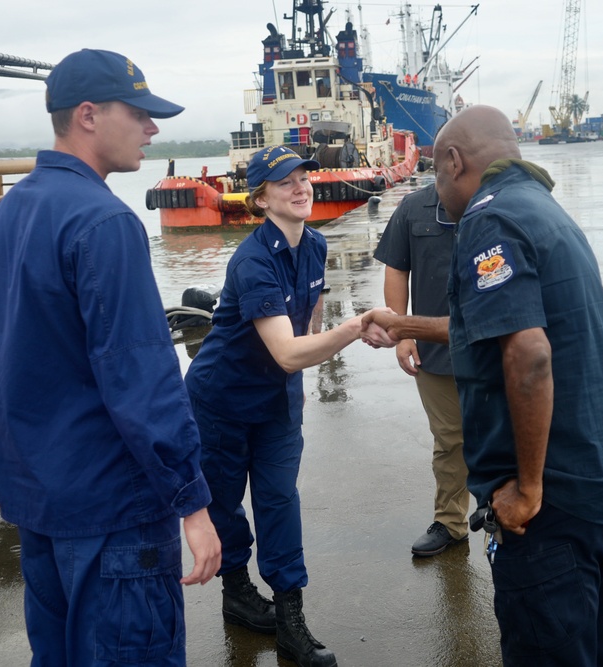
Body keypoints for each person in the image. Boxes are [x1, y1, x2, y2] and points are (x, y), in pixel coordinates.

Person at [362, 105, 603, 666]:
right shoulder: (542, 207)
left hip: (558, 508)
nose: (436, 187)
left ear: (453, 160)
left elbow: (529, 355)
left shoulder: (488, 219)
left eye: (435, 171)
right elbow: (504, 326)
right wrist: (406, 325)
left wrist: (527, 489)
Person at [0, 49, 221, 666]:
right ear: (88, 114)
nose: (153, 129)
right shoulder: (105, 221)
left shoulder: (3, 216)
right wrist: (192, 498)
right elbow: (141, 376)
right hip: (112, 508)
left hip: (39, 498)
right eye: (139, 113)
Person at [184, 145, 391, 667]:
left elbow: (308, 333)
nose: (301, 187)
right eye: (285, 182)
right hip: (222, 402)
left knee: (279, 501)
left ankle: (291, 621)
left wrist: (343, 335)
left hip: (277, 402)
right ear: (260, 198)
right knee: (226, 503)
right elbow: (287, 350)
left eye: (304, 177)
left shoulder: (316, 246)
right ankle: (237, 594)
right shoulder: (252, 261)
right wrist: (355, 326)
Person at [373, 184, 470, 556]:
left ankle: (510, 517)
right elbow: (397, 269)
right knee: (449, 440)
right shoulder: (413, 208)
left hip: (497, 347)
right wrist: (401, 334)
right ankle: (450, 521)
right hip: (434, 350)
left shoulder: (495, 201)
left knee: (504, 434)